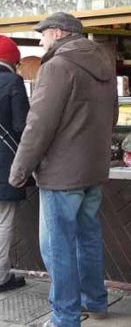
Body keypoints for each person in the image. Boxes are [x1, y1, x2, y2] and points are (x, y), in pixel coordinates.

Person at [9, 12, 118, 327]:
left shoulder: (57, 67)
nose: (41, 42)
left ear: (57, 32)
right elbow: (113, 117)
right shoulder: (104, 65)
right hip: (93, 170)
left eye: (42, 35)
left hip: (60, 174)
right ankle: (95, 301)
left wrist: (18, 172)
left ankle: (65, 316)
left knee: (58, 247)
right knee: (88, 238)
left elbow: (38, 126)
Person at [0, 36, 29, 292]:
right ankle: (1, 276)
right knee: (3, 218)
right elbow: (23, 127)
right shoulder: (13, 81)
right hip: (4, 163)